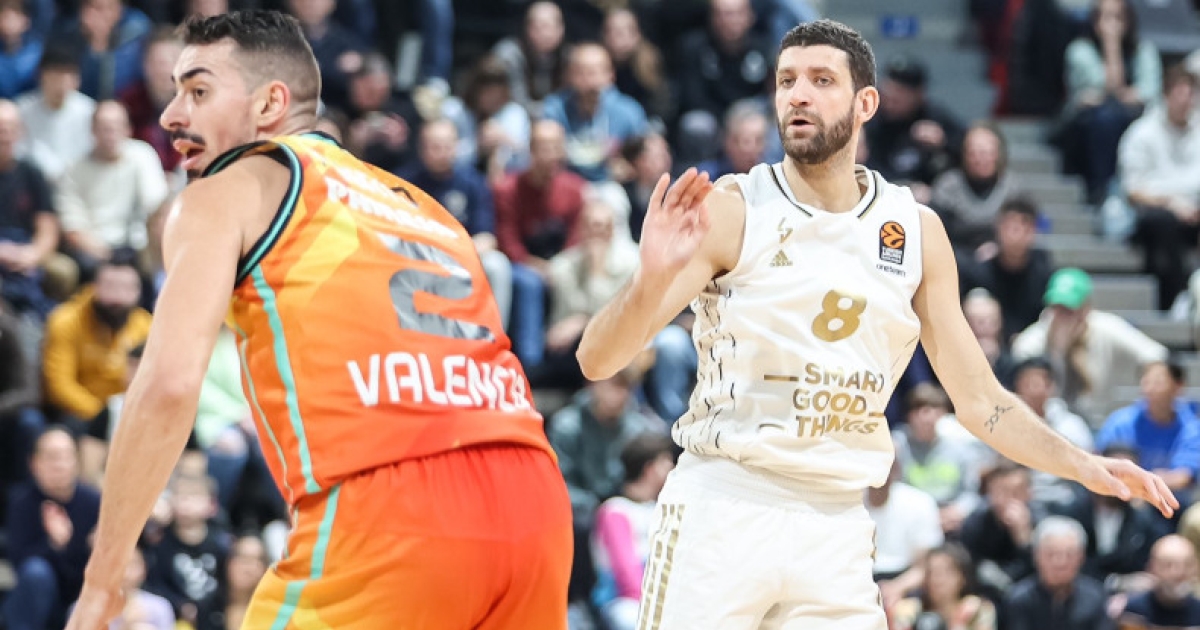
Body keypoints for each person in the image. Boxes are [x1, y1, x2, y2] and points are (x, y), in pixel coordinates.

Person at [577, 18, 1177, 629]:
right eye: (786, 81)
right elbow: (597, 361)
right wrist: (648, 280)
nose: (798, 95)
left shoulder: (915, 230)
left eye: (821, 80)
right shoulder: (732, 210)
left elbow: (981, 403)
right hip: (727, 505)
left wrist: (1083, 464)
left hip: (836, 524)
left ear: (866, 103)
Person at [65, 10, 572, 630]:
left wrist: (102, 580)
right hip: (535, 503)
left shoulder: (228, 190)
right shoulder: (427, 210)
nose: (172, 115)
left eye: (197, 91)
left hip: (395, 507)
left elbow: (167, 386)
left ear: (269, 104)